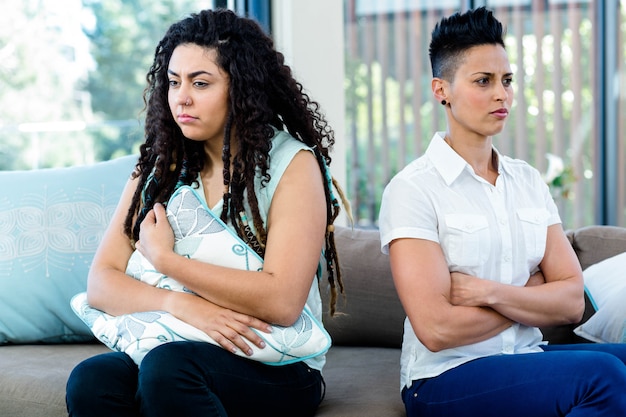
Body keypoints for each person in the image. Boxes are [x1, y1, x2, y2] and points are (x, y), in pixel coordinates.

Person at [66, 8, 348, 417]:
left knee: (169, 369)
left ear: (242, 90)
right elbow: (101, 283)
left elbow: (283, 300)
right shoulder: (159, 167)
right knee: (93, 379)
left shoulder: (293, 164)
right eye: (174, 82)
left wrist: (166, 260)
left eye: (201, 83)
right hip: (178, 338)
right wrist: (183, 306)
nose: (182, 97)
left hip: (275, 361)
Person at [379, 7, 626, 417]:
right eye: (484, 81)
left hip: (526, 355)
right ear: (442, 90)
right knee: (602, 375)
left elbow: (570, 303)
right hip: (445, 376)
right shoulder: (412, 189)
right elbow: (438, 329)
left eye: (506, 80)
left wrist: (490, 292)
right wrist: (529, 297)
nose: (502, 94)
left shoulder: (527, 181)